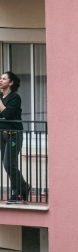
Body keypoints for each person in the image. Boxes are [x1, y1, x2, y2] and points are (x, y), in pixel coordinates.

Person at [0, 71, 29, 201]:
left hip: (14, 135)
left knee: (8, 164)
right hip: (3, 135)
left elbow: (7, 114)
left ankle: (22, 188)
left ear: (11, 82)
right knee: (9, 164)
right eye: (0, 78)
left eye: (4, 78)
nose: (0, 80)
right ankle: (18, 190)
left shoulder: (14, 97)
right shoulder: (2, 97)